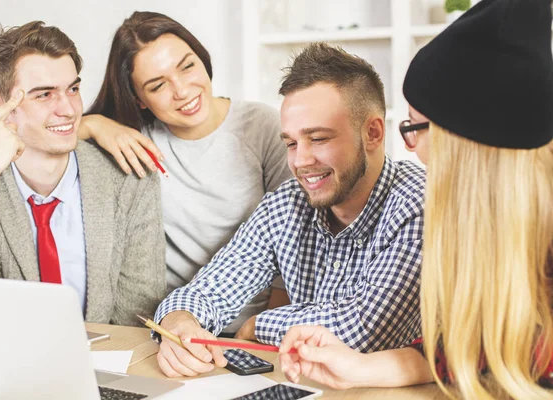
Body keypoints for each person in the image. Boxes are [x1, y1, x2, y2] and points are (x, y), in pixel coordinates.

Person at [278, 0, 553, 398]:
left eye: (414, 127)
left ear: (462, 139)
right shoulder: (488, 237)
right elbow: (459, 351)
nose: (409, 147)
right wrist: (358, 367)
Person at [151, 42, 426, 378]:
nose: (300, 161)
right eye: (291, 143)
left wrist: (257, 325)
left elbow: (366, 332)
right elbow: (213, 286)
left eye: (319, 139)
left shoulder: (416, 202)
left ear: (373, 132)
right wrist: (180, 323)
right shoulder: (288, 202)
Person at [79, 12, 292, 332]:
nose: (182, 91)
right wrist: (94, 124)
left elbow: (295, 241)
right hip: (174, 325)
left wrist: (263, 332)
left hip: (255, 325)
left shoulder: (263, 126)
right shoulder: (136, 142)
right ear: (139, 100)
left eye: (187, 66)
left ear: (202, 59)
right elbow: (38, 140)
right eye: (157, 85)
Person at [0, 21, 166, 326]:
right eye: (44, 95)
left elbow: (137, 315)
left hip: (108, 367)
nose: (68, 109)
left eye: (73, 89)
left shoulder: (130, 181)